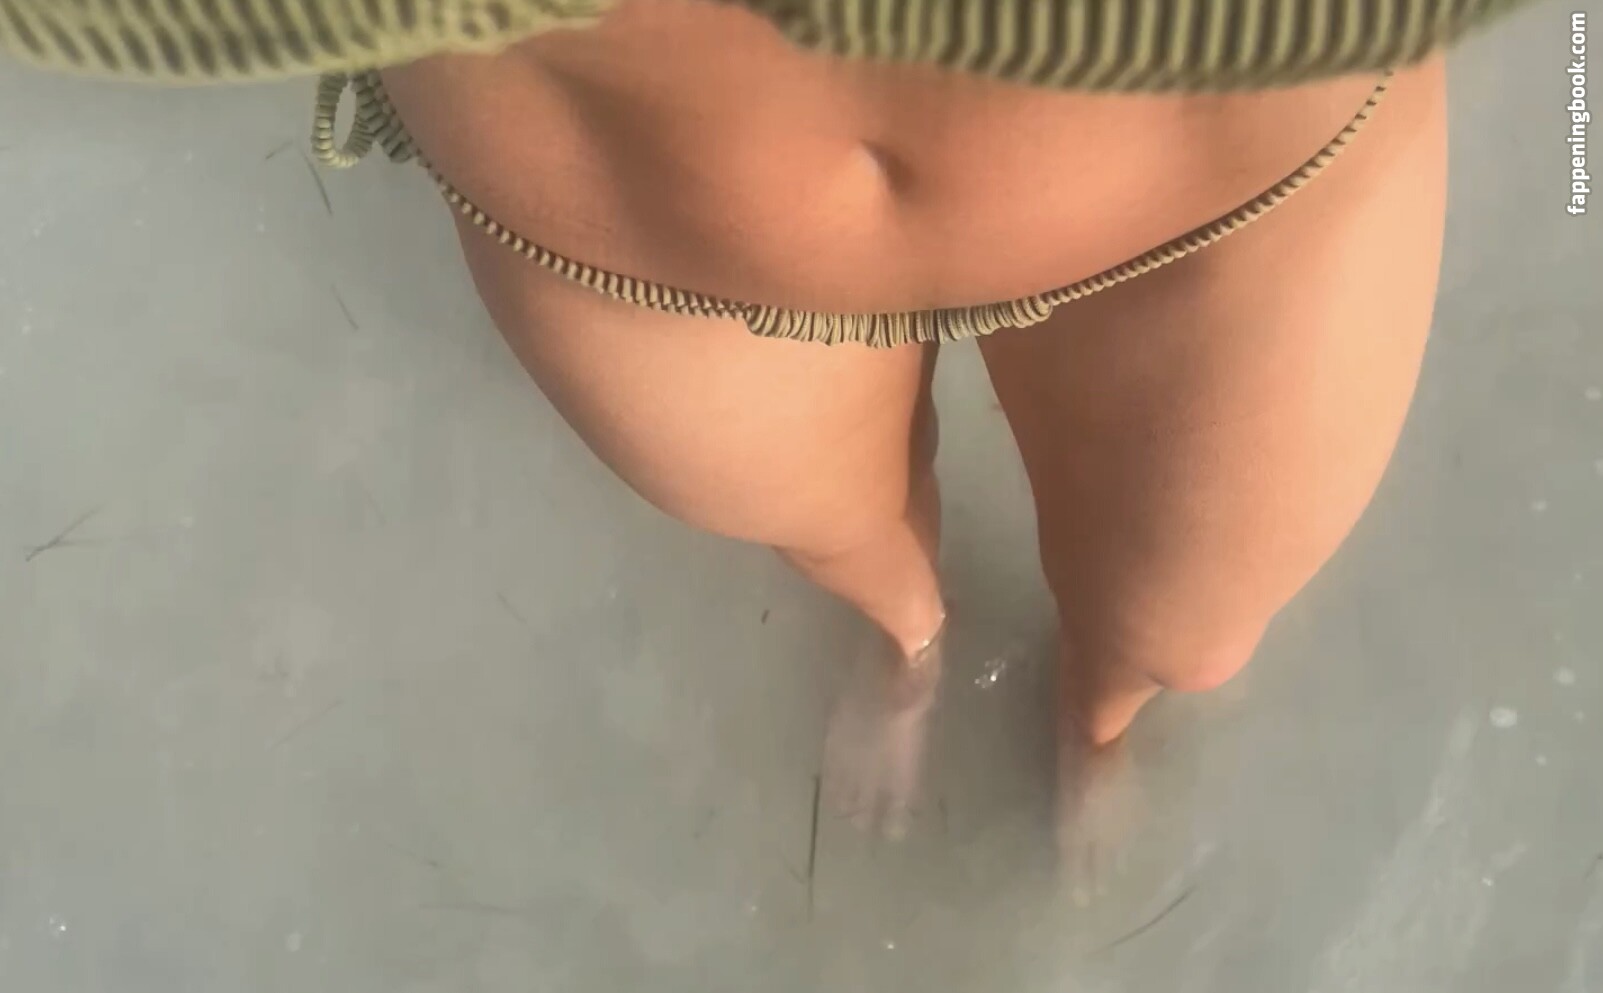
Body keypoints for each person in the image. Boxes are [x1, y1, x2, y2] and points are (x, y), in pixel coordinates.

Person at [6, 0, 1480, 837]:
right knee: (830, 531)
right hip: (640, 233)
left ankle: (1099, 726)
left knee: (1182, 636)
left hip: (1240, 203)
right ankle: (909, 641)